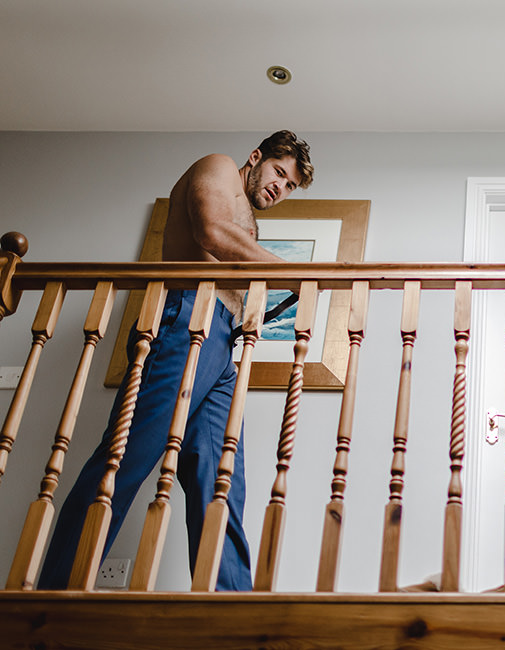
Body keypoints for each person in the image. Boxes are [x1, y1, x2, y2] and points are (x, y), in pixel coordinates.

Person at [37, 131, 314, 590]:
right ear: (255, 157)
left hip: (222, 346)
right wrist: (292, 275)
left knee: (220, 487)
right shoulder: (219, 166)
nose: (279, 188)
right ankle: (54, 598)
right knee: (123, 460)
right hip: (185, 321)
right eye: (278, 173)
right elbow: (211, 231)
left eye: (289, 187)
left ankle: (229, 617)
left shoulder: (250, 213)